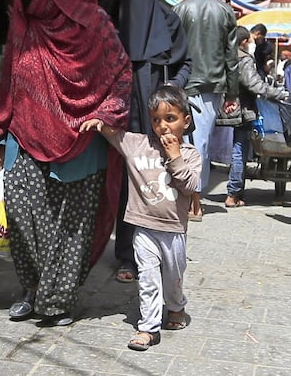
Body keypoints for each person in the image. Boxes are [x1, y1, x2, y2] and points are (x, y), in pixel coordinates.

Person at [0, 0, 131, 327]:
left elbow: (121, 74)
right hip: (24, 133)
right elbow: (12, 77)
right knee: (23, 217)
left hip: (82, 138)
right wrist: (2, 127)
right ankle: (32, 288)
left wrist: (105, 114)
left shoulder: (95, 22)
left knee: (69, 227)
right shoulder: (23, 23)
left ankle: (58, 301)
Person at [79, 86, 201, 352]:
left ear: (186, 121)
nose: (163, 126)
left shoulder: (191, 154)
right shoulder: (140, 145)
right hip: (144, 229)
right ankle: (148, 328)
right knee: (147, 279)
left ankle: (176, 306)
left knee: (173, 277)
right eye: (156, 120)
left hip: (173, 231)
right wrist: (101, 124)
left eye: (170, 118)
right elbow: (117, 136)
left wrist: (175, 156)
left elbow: (190, 185)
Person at [101, 0, 192, 283]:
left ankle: (164, 247)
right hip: (124, 117)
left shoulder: (169, 20)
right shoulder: (111, 24)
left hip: (159, 117)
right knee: (128, 183)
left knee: (159, 182)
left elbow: (186, 62)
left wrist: (172, 91)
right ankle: (127, 254)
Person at [173, 0, 239, 220]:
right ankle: (194, 201)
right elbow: (231, 59)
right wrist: (232, 94)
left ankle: (191, 199)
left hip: (182, 84)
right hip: (212, 87)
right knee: (200, 143)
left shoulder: (179, 9)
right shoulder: (225, 11)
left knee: (185, 141)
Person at [226, 26, 288, 207]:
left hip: (226, 106)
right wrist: (279, 94)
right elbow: (254, 85)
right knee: (239, 150)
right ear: (245, 41)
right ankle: (233, 194)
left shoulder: (224, 55)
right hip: (242, 108)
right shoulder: (243, 59)